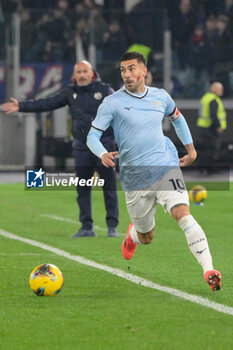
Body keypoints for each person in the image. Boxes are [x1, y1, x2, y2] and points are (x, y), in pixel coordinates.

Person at [86, 51, 222, 292]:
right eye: (122, 70)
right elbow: (92, 136)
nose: (126, 75)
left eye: (131, 69)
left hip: (165, 165)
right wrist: (102, 153)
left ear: (143, 71)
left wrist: (191, 151)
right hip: (134, 177)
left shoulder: (160, 97)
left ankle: (208, 269)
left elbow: (178, 119)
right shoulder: (113, 102)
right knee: (147, 236)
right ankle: (133, 236)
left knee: (183, 214)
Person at [2, 60, 119, 238]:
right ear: (74, 75)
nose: (81, 75)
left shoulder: (105, 91)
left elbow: (119, 114)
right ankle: (86, 227)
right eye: (78, 72)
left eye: (84, 71)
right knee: (82, 188)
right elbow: (46, 103)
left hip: (105, 147)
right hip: (82, 148)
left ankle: (112, 227)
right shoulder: (69, 92)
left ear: (92, 73)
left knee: (109, 186)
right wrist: (21, 106)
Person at [197, 82, 227, 171]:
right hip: (210, 128)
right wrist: (218, 126)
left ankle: (206, 167)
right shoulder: (213, 99)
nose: (222, 91)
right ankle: (205, 167)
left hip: (204, 127)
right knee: (212, 148)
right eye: (220, 89)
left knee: (208, 148)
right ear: (215, 89)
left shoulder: (206, 97)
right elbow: (213, 114)